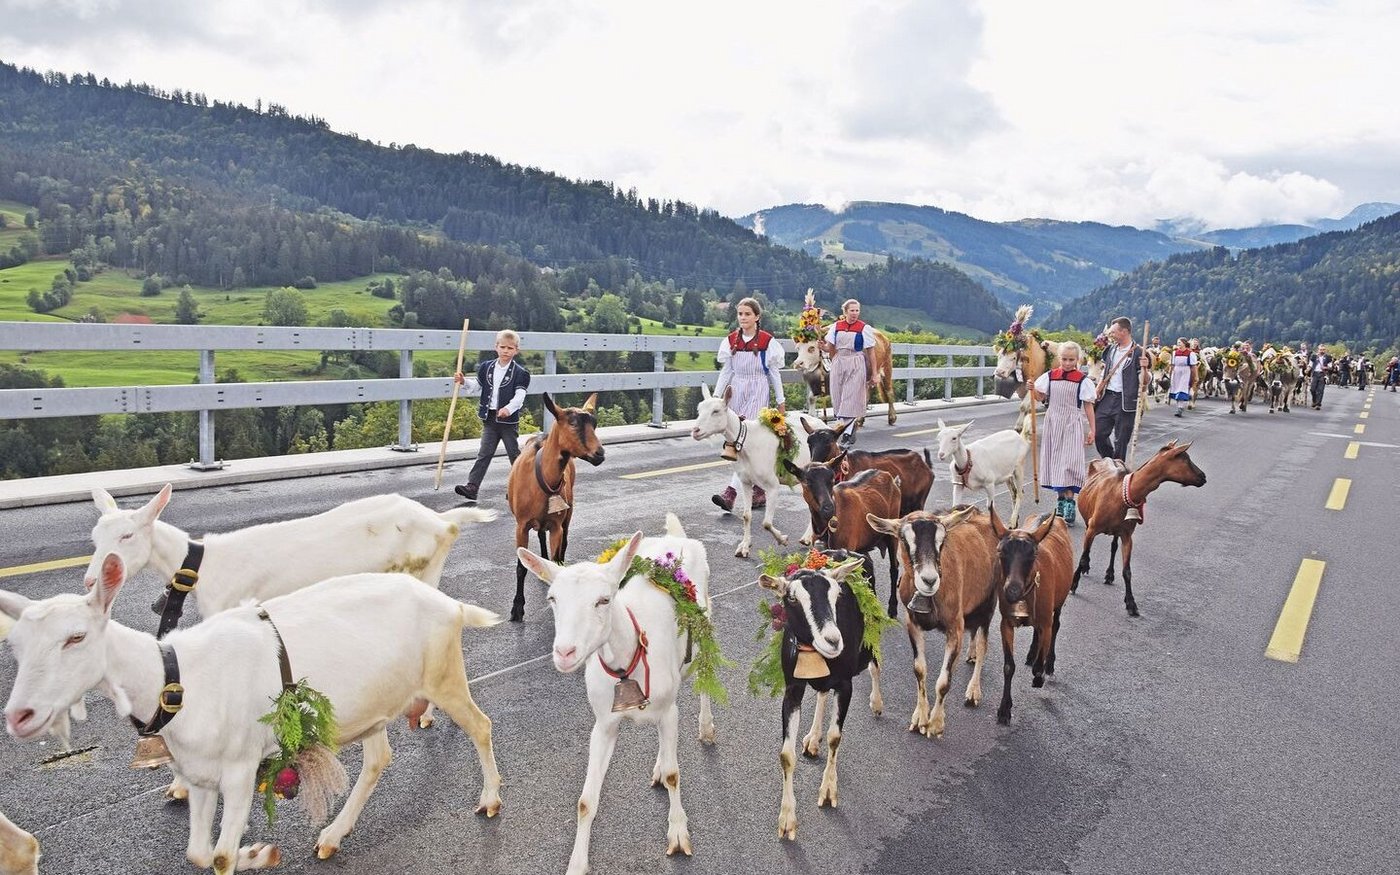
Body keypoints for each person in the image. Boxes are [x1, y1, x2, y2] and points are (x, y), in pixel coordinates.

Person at [711, 297, 786, 512]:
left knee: (744, 442)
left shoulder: (766, 341)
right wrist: (717, 397)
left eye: (747, 314)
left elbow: (774, 373)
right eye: (740, 314)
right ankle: (759, 490)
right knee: (737, 442)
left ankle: (731, 493)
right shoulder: (731, 341)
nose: (743, 318)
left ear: (757, 317)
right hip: (737, 390)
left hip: (757, 390)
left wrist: (781, 401)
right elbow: (727, 371)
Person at [453, 329, 531, 503]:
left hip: (508, 421)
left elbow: (520, 397)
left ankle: (522, 487)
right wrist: (464, 382)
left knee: (514, 455)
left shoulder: (521, 373)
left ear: (516, 350)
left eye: (510, 348)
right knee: (484, 453)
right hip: (490, 418)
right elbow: (478, 387)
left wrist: (508, 409)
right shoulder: (486, 367)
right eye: (502, 347)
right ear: (496, 347)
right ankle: (472, 487)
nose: (505, 351)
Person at [1031, 341, 1096, 525]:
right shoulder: (1050, 376)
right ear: (1059, 358)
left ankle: (1070, 501)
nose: (1068, 363)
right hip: (1053, 422)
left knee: (1070, 462)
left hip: (1071, 424)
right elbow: (1040, 397)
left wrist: (1092, 429)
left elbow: (1088, 406)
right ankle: (1060, 500)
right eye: (1065, 359)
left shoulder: (1082, 380)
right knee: (1055, 462)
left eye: (1071, 360)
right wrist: (1033, 389)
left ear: (1078, 360)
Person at [1093, 317, 1151, 520]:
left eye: (1114, 331)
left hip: (1127, 401)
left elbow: (1145, 382)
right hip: (1108, 397)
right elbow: (1104, 371)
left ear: (1124, 332)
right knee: (1099, 433)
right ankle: (1111, 463)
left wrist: (1145, 368)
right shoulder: (1109, 350)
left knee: (1121, 439)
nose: (1111, 334)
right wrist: (1098, 388)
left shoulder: (1139, 352)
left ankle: (1118, 476)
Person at [821, 298, 877, 431]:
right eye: (852, 310)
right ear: (845, 311)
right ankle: (844, 428)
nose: (855, 313)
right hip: (839, 361)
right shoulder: (836, 327)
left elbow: (871, 352)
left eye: (857, 310)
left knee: (850, 396)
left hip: (855, 362)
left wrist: (875, 373)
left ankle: (847, 431)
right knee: (838, 395)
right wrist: (823, 347)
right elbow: (830, 348)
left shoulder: (864, 328)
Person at [1167, 337, 1197, 417]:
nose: (1178, 344)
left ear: (1184, 343)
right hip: (1176, 372)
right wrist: (1170, 373)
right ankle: (1179, 406)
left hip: (1185, 372)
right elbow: (1172, 365)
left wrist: (1194, 376)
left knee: (1182, 389)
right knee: (1176, 389)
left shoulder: (1190, 353)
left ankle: (1180, 408)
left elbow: (1193, 367)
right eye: (1178, 342)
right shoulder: (1175, 353)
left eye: (1180, 342)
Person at [1308, 345, 1332, 409]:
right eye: (1321, 349)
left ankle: (1318, 404)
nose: (1322, 351)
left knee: (1320, 390)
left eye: (1323, 349)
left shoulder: (1328, 357)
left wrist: (1325, 367)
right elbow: (1310, 365)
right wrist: (1307, 370)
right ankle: (1314, 400)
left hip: (1323, 374)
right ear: (1318, 350)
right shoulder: (1314, 356)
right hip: (1315, 374)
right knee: (1312, 389)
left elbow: (1330, 367)